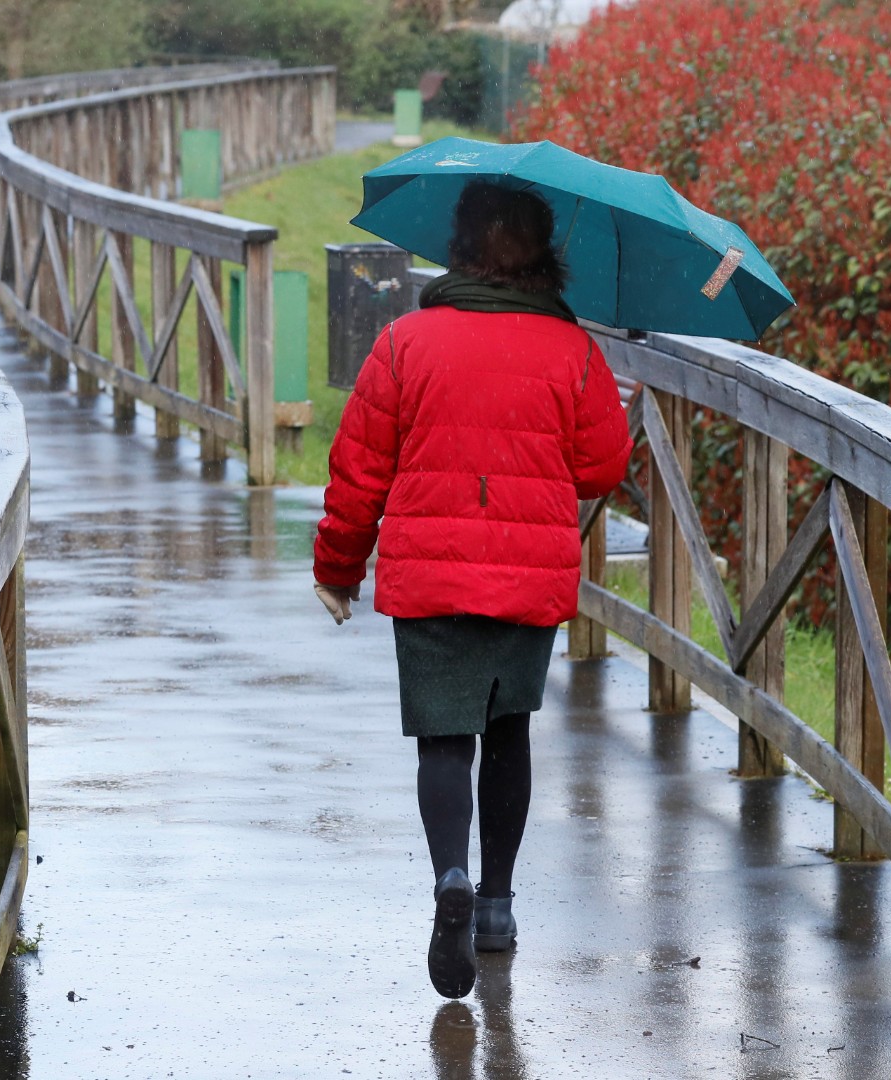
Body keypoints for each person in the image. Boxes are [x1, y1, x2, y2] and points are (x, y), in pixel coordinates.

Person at [311, 179, 633, 1000]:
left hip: (429, 569)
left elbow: (359, 471)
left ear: (457, 249)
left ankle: (449, 874)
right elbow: (601, 468)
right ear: (546, 256)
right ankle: (494, 905)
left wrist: (338, 569)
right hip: (528, 575)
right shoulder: (575, 350)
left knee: (444, 741)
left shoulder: (406, 341)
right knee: (509, 730)